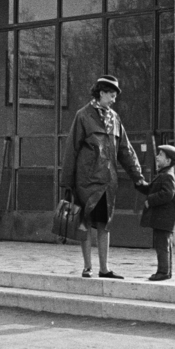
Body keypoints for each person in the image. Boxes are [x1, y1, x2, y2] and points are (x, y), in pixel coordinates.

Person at [60, 74, 147, 279]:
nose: (114, 99)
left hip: (108, 182)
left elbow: (125, 150)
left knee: (104, 224)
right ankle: (87, 267)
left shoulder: (114, 118)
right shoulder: (83, 116)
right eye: (111, 94)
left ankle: (104, 268)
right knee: (85, 222)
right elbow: (71, 150)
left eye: (115, 95)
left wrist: (138, 177)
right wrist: (67, 182)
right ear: (101, 93)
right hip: (86, 182)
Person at [135, 144, 175, 281]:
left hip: (164, 219)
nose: (157, 157)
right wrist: (140, 184)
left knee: (162, 246)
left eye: (160, 155)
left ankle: (163, 272)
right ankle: (166, 271)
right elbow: (151, 189)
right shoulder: (163, 175)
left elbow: (167, 194)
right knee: (164, 245)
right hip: (163, 219)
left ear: (168, 161)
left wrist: (150, 200)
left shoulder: (168, 176)